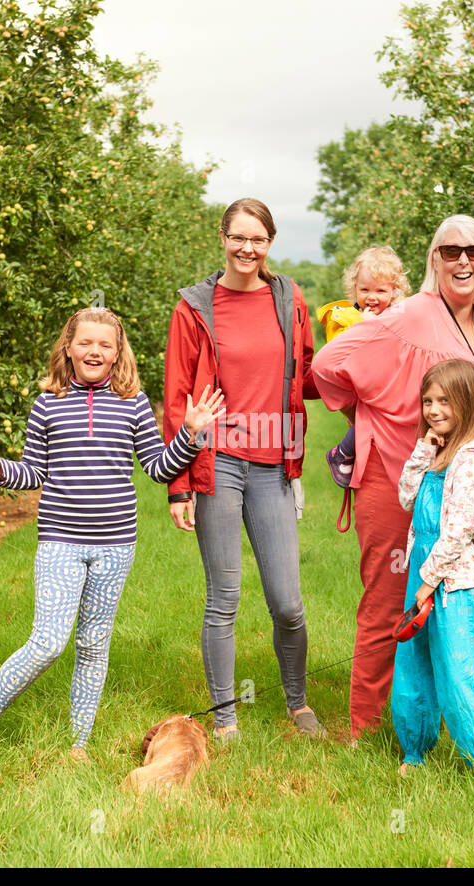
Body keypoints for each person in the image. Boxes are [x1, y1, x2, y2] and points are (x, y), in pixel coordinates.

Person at [0, 307, 224, 757]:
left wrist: (191, 435)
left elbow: (157, 468)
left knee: (94, 645)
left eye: (105, 345)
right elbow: (34, 473)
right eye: (85, 343)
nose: (95, 351)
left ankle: (77, 745)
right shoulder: (47, 403)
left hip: (116, 545)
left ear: (118, 353)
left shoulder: (132, 402)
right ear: (69, 348)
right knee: (48, 642)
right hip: (60, 542)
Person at [311, 214, 474, 741]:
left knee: (455, 601)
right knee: (389, 602)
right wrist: (383, 415)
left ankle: (441, 728)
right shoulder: (411, 315)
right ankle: (368, 727)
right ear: (434, 259)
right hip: (405, 478)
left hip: (466, 483)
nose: (464, 260)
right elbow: (331, 362)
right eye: (451, 251)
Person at [162, 198, 325, 741]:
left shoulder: (288, 298)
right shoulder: (193, 307)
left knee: (287, 601)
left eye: (258, 240)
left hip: (274, 460)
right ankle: (226, 717)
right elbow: (178, 395)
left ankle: (297, 703)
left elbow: (306, 373)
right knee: (224, 597)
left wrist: (358, 370)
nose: (247, 249)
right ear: (222, 237)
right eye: (239, 238)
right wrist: (178, 487)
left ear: (270, 243)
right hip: (218, 462)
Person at [393, 360, 474, 776]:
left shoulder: (473, 459)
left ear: (467, 402)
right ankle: (415, 750)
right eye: (427, 401)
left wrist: (428, 582)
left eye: (444, 401)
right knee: (413, 662)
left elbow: (458, 531)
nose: (433, 410)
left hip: (452, 580)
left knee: (455, 673)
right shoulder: (438, 452)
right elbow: (406, 497)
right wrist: (424, 447)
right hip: (422, 570)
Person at [316, 245, 412, 492]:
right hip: (361, 385)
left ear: (395, 291)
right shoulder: (349, 317)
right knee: (369, 416)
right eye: (365, 289)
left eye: (381, 290)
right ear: (354, 289)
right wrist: (363, 326)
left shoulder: (398, 315)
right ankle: (342, 453)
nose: (372, 296)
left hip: (389, 384)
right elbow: (336, 352)